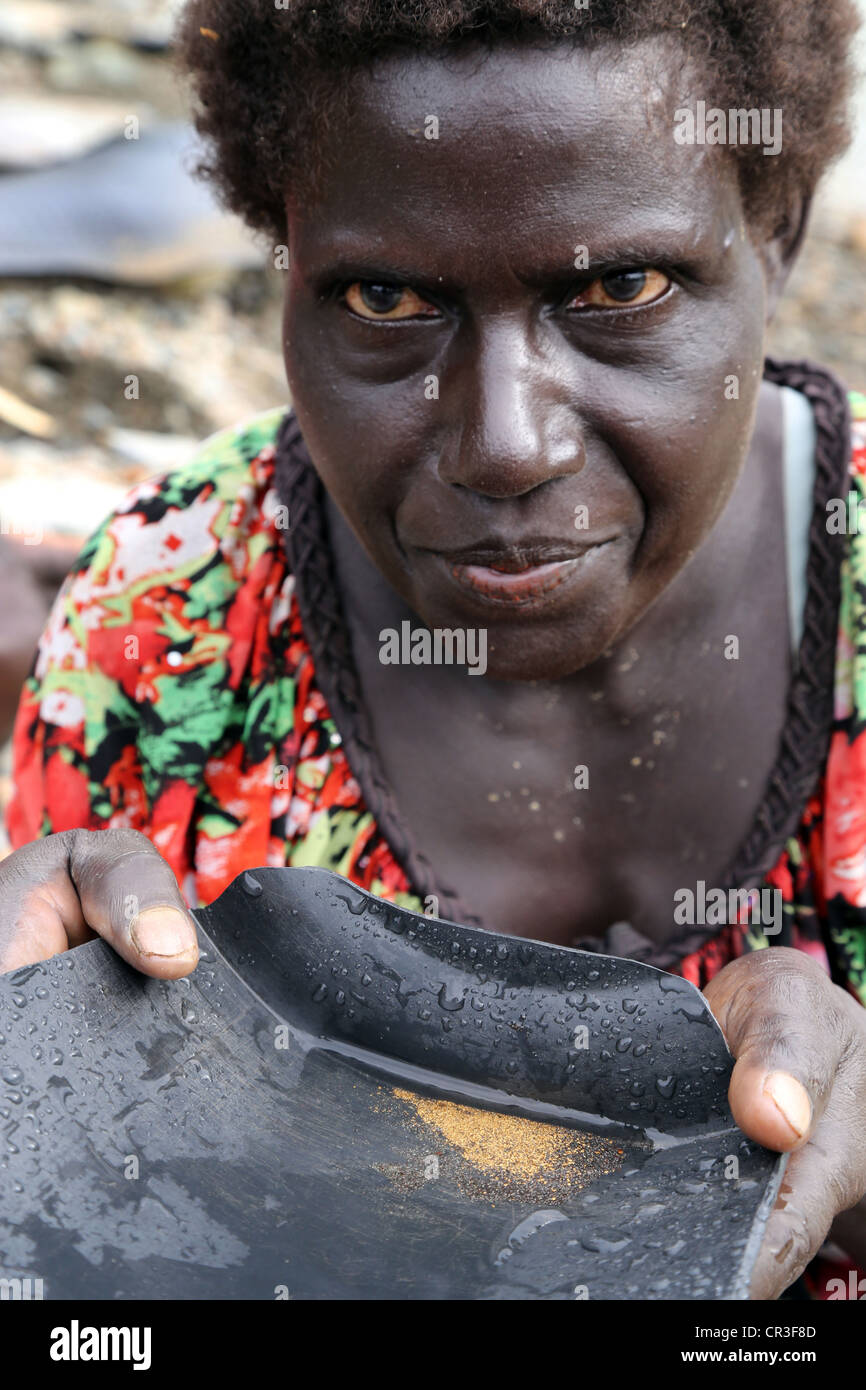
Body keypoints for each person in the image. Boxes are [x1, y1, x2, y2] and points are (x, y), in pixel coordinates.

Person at [2, 0, 866, 1300]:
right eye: (387, 296)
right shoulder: (164, 611)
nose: (504, 441)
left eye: (617, 286)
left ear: (773, 233)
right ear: (284, 261)